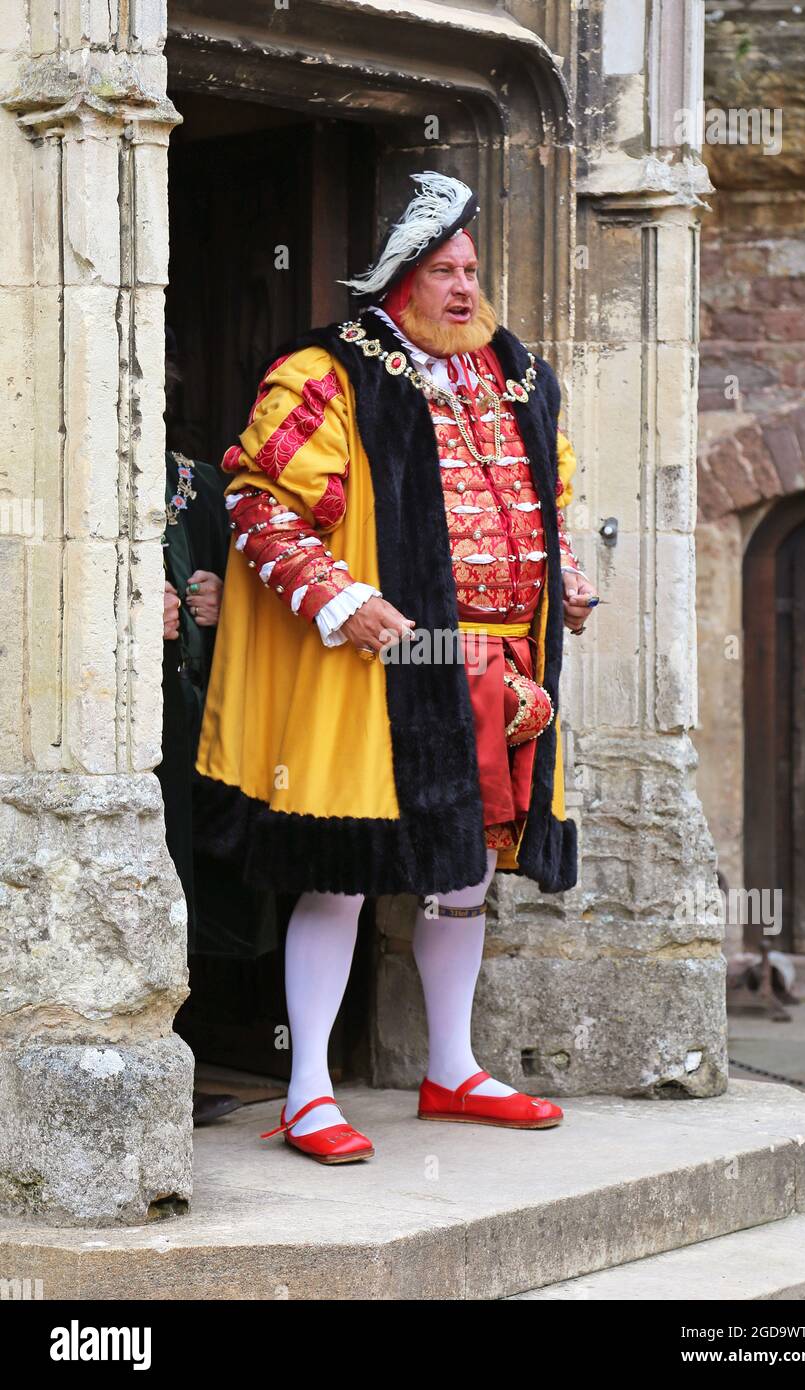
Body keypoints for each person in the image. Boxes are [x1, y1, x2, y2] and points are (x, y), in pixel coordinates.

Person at [194, 172, 598, 1163]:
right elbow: (253, 496)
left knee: (464, 871)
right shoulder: (329, 371)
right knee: (342, 873)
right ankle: (306, 1091)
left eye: (470, 269)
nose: (464, 287)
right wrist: (336, 596)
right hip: (385, 662)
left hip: (501, 665)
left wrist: (568, 574)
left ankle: (451, 1066)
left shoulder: (518, 373)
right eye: (441, 270)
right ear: (397, 280)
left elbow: (548, 498)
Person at [158, 335, 242, 1127]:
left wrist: (221, 604)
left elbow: (265, 597)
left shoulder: (196, 488)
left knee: (181, 880)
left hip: (183, 723)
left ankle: (169, 1067)